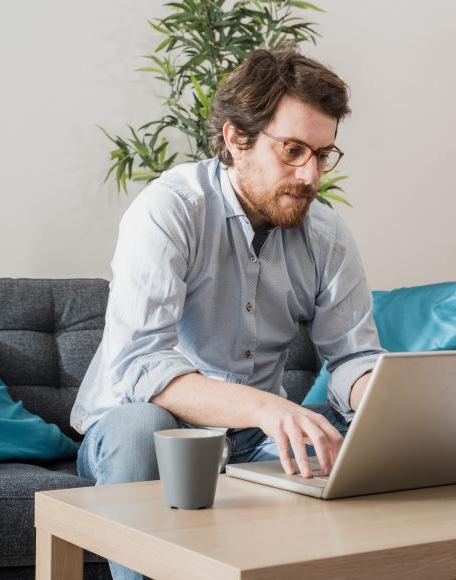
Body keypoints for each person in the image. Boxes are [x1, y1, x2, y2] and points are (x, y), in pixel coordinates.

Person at [71, 48, 385, 580]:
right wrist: (266, 407)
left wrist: (384, 397)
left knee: (354, 437)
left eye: (323, 154)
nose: (310, 175)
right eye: (292, 150)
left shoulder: (326, 234)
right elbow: (143, 365)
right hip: (138, 422)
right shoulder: (170, 208)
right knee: (141, 425)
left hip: (250, 436)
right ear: (237, 139)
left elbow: (354, 355)